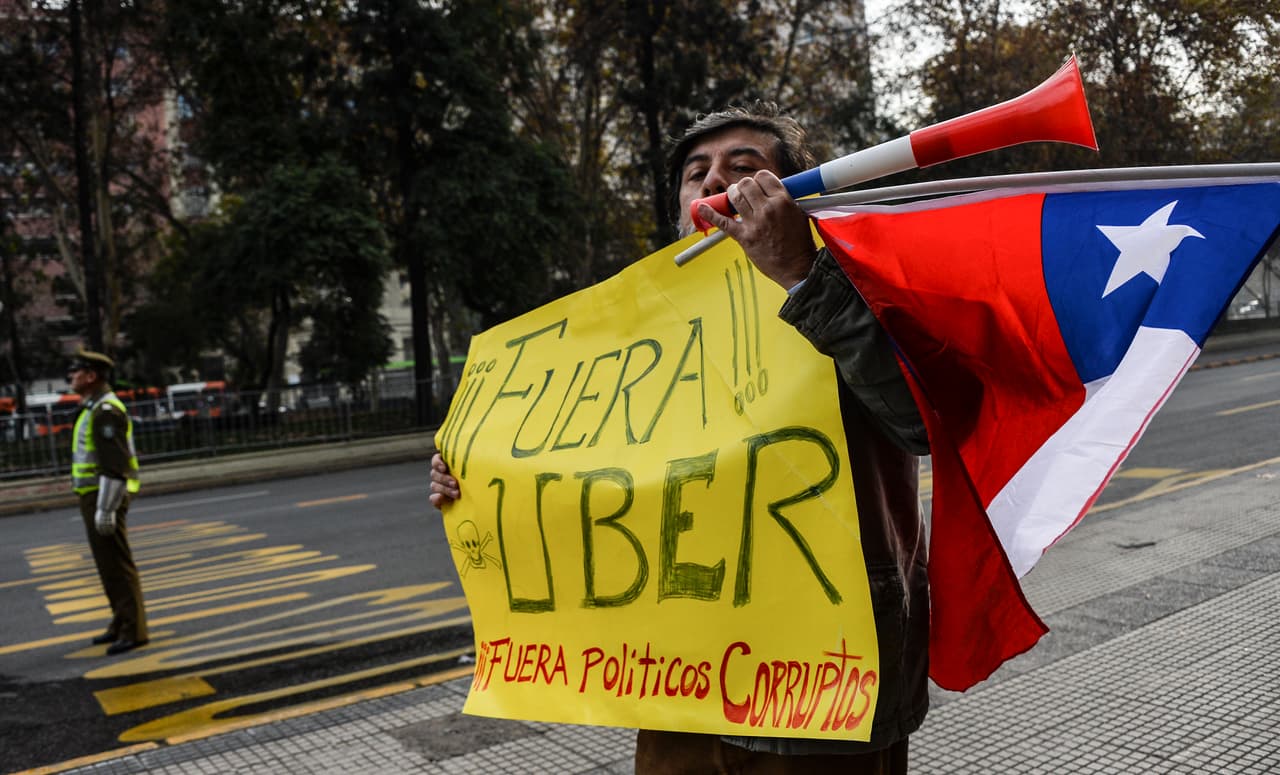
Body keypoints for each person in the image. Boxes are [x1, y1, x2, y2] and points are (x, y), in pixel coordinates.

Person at [431, 102, 930, 773]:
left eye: (743, 167)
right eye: (696, 173)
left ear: (791, 194)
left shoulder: (858, 285)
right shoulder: (639, 332)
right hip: (681, 692)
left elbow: (920, 424)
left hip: (821, 694)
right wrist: (480, 480)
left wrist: (801, 277)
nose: (714, 181)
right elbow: (589, 478)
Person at [68, 348, 148, 656]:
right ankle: (121, 620)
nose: (71, 376)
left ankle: (134, 629)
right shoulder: (94, 407)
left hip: (104, 495)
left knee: (117, 564)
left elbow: (115, 464)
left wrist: (106, 508)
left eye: (76, 371)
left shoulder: (105, 411)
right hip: (94, 494)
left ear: (91, 376)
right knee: (107, 565)